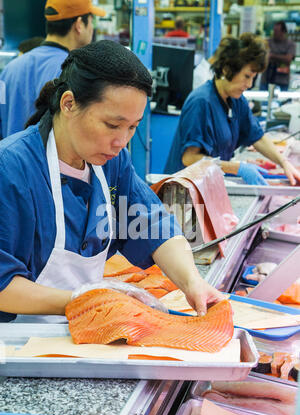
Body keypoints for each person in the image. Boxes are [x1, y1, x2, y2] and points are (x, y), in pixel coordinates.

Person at [0, 40, 224, 323]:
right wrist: (82, 299)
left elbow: (151, 224)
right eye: (112, 125)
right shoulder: (11, 167)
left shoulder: (110, 163)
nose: (122, 141)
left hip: (85, 333)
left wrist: (193, 282)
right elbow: (2, 285)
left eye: (133, 127)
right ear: (68, 104)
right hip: (18, 348)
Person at [165, 33, 300, 186]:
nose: (249, 84)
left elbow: (257, 136)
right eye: (247, 76)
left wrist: (284, 163)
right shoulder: (201, 102)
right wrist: (237, 168)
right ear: (226, 69)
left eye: (253, 78)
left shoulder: (236, 100)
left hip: (208, 187)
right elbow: (190, 158)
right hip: (184, 194)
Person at [0, 0, 106, 139]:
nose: (92, 28)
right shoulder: (73, 73)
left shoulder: (9, 70)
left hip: (10, 159)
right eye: (92, 21)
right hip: (49, 161)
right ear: (79, 24)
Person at [260, 21, 296, 92]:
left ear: (283, 32)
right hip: (266, 78)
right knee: (263, 101)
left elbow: (288, 59)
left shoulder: (290, 44)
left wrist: (272, 56)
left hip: (282, 80)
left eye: (277, 31)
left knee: (281, 101)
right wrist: (281, 57)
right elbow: (262, 56)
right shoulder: (267, 42)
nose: (274, 32)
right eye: (274, 30)